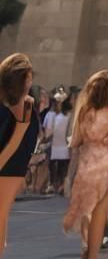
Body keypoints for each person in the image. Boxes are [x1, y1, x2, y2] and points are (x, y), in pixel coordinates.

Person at [63, 70, 108, 258]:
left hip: (87, 161)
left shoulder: (84, 110)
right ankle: (93, 253)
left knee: (86, 206)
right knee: (100, 209)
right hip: (107, 162)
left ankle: (85, 244)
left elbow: (75, 141)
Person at [0, 53, 39, 257]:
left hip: (12, 169)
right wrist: (22, 129)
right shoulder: (25, 107)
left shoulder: (23, 106)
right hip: (11, 169)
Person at [49, 97, 73, 194]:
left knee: (58, 168)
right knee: (63, 168)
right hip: (63, 147)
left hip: (57, 146)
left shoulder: (57, 117)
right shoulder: (68, 117)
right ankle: (61, 185)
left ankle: (57, 185)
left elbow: (53, 131)